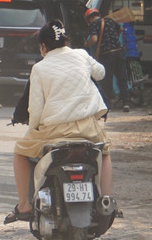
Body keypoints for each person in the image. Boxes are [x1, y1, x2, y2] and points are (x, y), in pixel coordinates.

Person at [6, 19, 113, 223]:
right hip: (87, 128)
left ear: (43, 46)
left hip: (54, 132)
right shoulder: (81, 55)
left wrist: (34, 129)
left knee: (21, 152)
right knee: (104, 152)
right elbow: (100, 73)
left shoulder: (40, 67)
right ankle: (106, 200)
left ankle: (24, 205)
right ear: (66, 41)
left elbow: (35, 108)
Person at [84, 5, 129, 112]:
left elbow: (94, 39)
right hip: (119, 51)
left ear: (89, 18)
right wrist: (113, 37)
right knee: (122, 78)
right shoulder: (110, 20)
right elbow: (121, 29)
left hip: (107, 54)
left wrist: (86, 44)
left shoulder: (93, 25)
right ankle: (126, 103)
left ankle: (110, 101)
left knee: (106, 79)